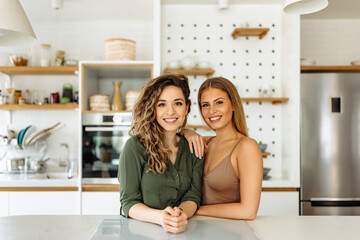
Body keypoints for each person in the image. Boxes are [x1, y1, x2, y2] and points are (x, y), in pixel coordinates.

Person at [118, 74, 204, 234]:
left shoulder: (194, 147)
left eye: (177, 103)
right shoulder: (134, 147)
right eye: (162, 104)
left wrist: (180, 215)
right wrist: (161, 218)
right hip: (140, 233)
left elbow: (193, 196)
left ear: (186, 107)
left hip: (183, 232)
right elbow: (128, 202)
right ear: (152, 109)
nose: (170, 111)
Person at [181, 77, 263, 220]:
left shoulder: (246, 147)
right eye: (205, 105)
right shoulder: (204, 143)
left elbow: (248, 211)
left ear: (233, 105)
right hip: (197, 231)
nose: (212, 110)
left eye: (219, 102)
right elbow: (175, 135)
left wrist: (193, 210)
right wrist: (188, 132)